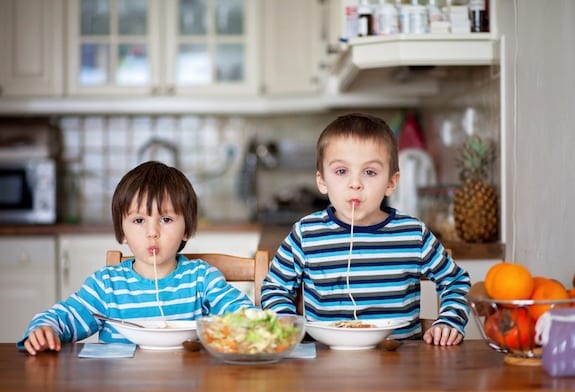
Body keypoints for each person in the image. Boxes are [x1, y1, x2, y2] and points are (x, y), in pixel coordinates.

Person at [260, 112, 471, 346]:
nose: (355, 183)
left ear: (391, 183)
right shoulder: (305, 234)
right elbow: (275, 287)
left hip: (400, 363)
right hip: (323, 363)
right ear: (322, 181)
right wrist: (284, 320)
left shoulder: (413, 235)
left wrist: (449, 321)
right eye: (341, 171)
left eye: (370, 172)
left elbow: (456, 282)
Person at [18, 161, 254, 355]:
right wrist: (44, 329)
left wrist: (246, 323)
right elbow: (63, 318)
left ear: (187, 229)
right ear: (122, 232)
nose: (153, 232)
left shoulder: (201, 279)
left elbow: (243, 313)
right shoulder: (106, 286)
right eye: (139, 221)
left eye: (166, 219)